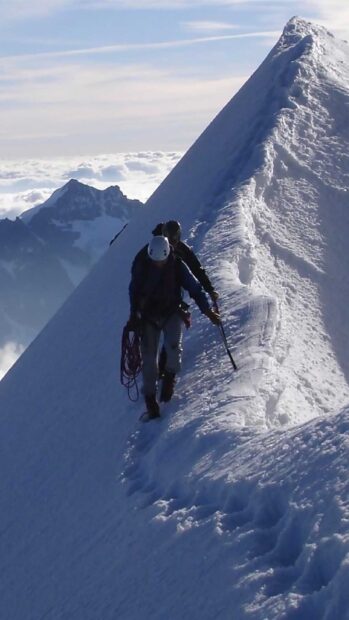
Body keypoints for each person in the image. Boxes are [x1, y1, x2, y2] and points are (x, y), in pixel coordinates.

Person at [128, 236, 220, 419]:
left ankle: (169, 378)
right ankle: (150, 399)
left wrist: (208, 311)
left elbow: (194, 289)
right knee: (149, 357)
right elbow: (134, 291)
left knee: (173, 347)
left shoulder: (177, 265)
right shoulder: (143, 266)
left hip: (170, 312)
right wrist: (134, 315)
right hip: (149, 315)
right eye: (156, 262)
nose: (159, 265)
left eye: (161, 262)